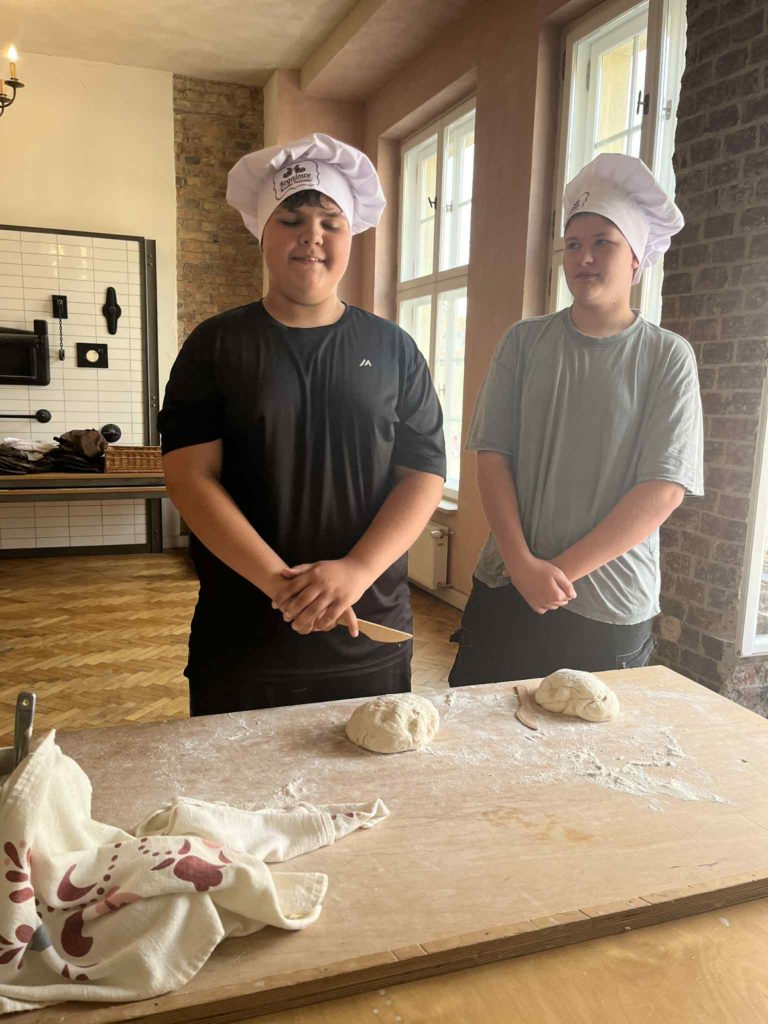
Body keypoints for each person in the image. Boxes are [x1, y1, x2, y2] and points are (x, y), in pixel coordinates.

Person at [159, 133, 446, 715]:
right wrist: (280, 585)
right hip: (244, 634)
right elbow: (190, 477)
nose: (311, 236)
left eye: (330, 223)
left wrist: (357, 570)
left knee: (366, 772)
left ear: (350, 237)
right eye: (291, 220)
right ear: (263, 233)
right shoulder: (216, 345)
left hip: (368, 628)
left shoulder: (394, 349)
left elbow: (423, 474)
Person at [449, 153, 703, 686]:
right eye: (573, 244)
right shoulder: (524, 342)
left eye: (602, 243)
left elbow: (663, 488)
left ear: (636, 259)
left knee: (585, 738)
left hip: (606, 606)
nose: (584, 257)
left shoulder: (666, 356)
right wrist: (522, 565)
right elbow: (492, 456)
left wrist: (557, 573)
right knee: (479, 730)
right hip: (506, 584)